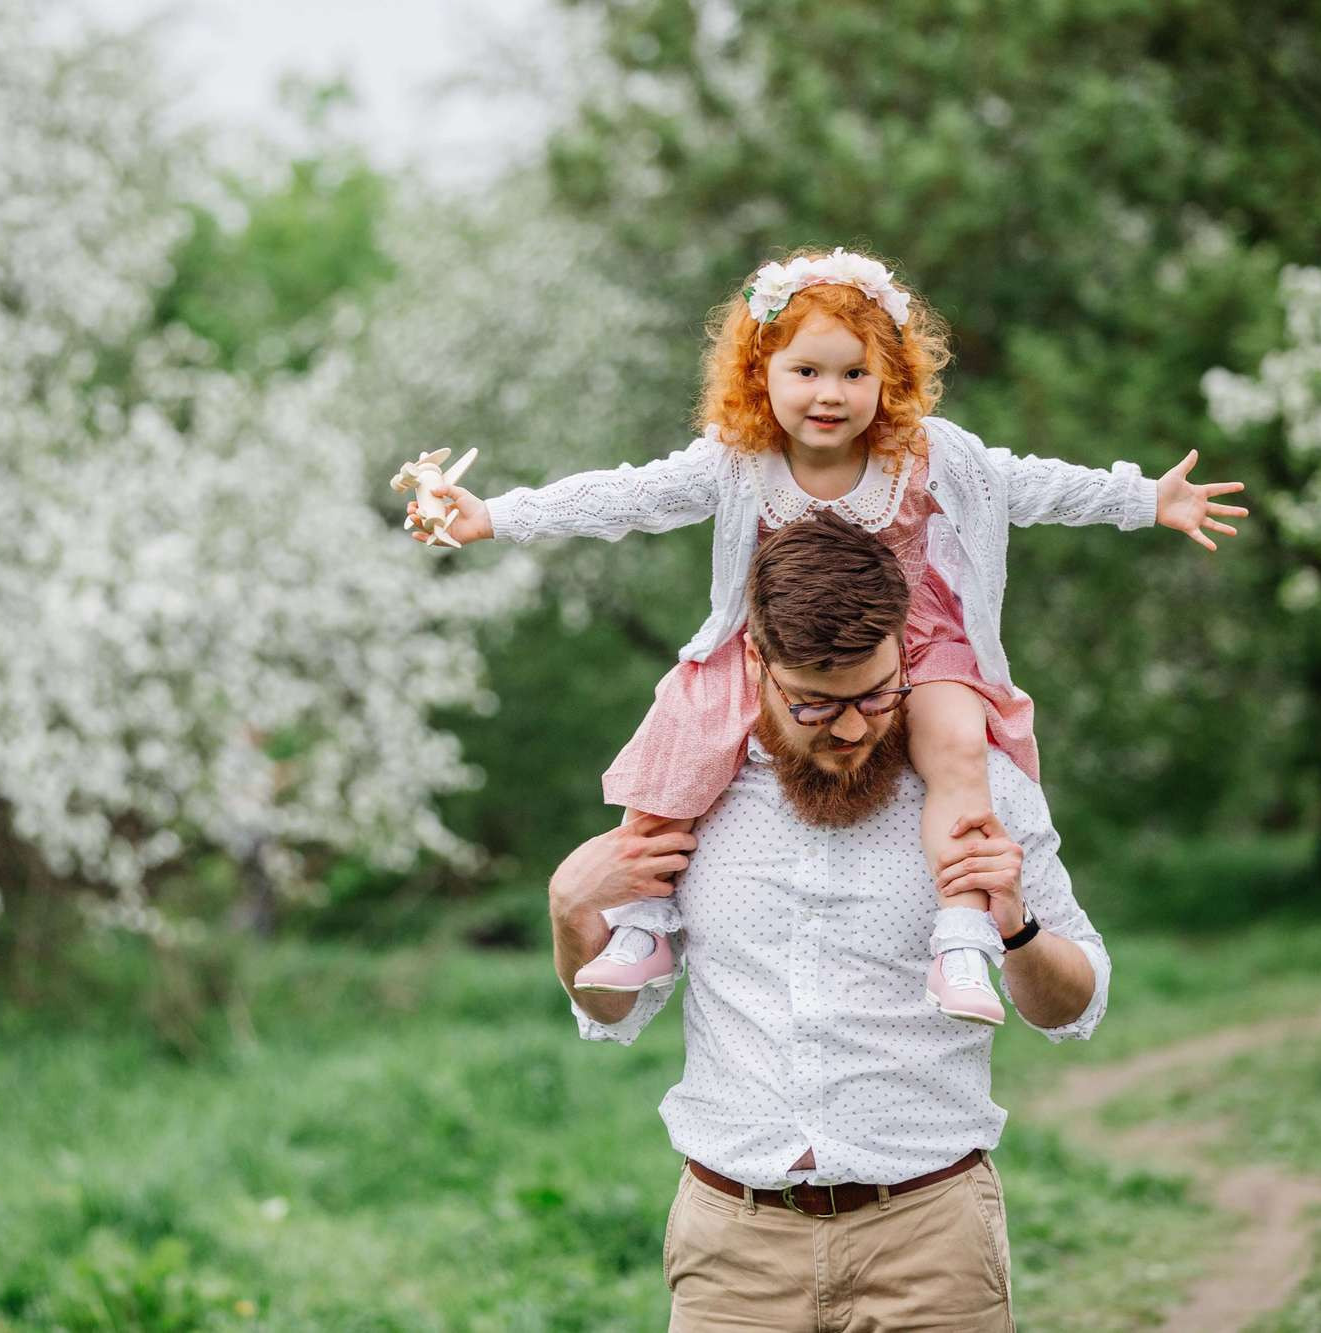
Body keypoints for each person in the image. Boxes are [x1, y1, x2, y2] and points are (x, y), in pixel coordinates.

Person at [408, 246, 1244, 1024]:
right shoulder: (739, 461)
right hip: (777, 642)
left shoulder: (921, 456)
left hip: (913, 641)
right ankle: (645, 920)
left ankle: (960, 933)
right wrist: (498, 515)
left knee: (955, 741)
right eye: (805, 370)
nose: (829, 394)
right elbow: (629, 498)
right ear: (759, 374)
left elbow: (1022, 483)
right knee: (682, 723)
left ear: (891, 379)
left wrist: (1141, 500)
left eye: (854, 373)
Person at [548, 511, 1109, 1329]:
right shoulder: (688, 796)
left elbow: (1076, 1005)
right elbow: (615, 1007)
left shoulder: (977, 788)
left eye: (877, 695)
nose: (850, 726)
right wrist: (570, 909)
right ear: (755, 663)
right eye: (814, 703)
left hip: (928, 1240)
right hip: (731, 1251)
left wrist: (1015, 926)